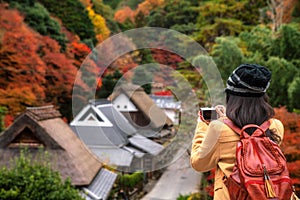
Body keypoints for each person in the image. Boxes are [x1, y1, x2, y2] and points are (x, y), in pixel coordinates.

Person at [190, 64, 284, 200]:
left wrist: (203, 125)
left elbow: (199, 163)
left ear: (231, 96)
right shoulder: (276, 126)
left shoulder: (218, 129)